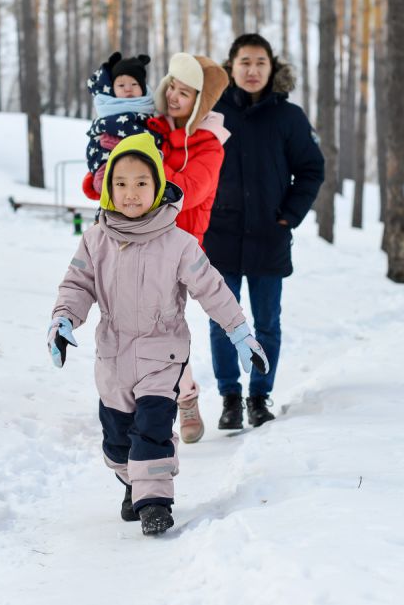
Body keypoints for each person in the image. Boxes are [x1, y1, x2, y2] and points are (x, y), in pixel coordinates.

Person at [47, 132, 268, 536]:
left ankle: (154, 503)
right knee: (118, 439)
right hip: (113, 356)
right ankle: (134, 483)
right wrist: (63, 320)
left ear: (158, 186)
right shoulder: (95, 239)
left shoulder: (178, 243)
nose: (130, 193)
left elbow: (212, 288)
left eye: (141, 183)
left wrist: (239, 332)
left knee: (152, 427)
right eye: (121, 183)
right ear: (109, 188)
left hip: (162, 353)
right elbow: (77, 285)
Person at [204, 33, 325, 431]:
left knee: (267, 322)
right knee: (223, 321)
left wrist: (289, 215)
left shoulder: (289, 117)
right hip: (219, 236)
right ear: (231, 67)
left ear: (272, 68)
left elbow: (311, 169)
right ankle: (230, 398)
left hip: (269, 236)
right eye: (245, 62)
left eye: (260, 62)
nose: (252, 70)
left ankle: (259, 396)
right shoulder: (212, 112)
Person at [145, 53, 230, 444]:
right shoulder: (152, 128)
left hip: (179, 248)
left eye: (185, 92)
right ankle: (144, 404)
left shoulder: (210, 146)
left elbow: (186, 192)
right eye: (172, 87)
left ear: (200, 102)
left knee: (165, 329)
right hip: (137, 238)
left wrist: (148, 162)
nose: (174, 96)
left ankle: (185, 397)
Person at [82, 53, 160, 197]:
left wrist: (120, 145)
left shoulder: (148, 112)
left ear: (143, 87)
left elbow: (154, 139)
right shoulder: (108, 110)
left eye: (134, 84)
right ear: (113, 88)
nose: (128, 89)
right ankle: (105, 178)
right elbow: (97, 138)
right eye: (121, 85)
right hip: (107, 160)